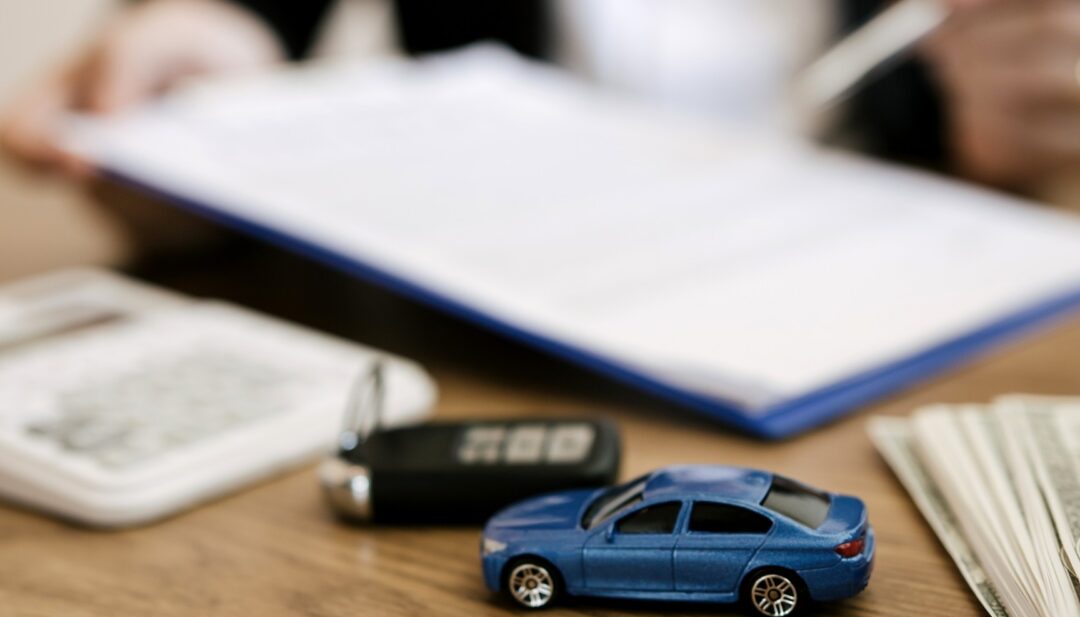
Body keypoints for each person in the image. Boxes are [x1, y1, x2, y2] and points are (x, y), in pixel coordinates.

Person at [3, 0, 1080, 194]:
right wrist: (208, 41)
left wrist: (1041, 117)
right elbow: (240, 18)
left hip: (907, 257)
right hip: (474, 295)